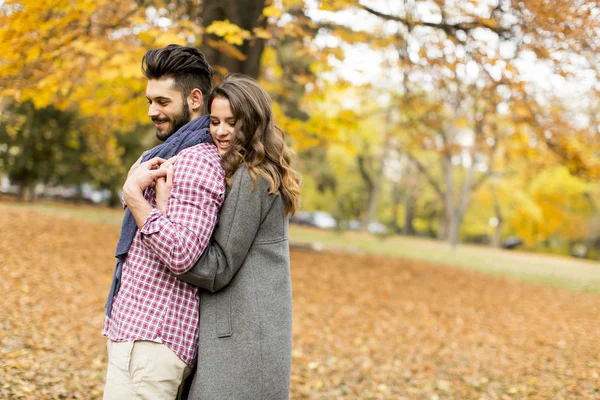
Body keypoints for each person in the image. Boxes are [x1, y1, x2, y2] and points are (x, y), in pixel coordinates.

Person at [155, 73, 301, 399]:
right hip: (247, 335)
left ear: (252, 123)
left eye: (232, 122)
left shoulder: (253, 179)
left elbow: (218, 267)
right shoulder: (252, 172)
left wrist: (160, 222)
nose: (220, 132)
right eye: (215, 121)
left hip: (241, 343)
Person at [102, 44, 226, 399]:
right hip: (135, 332)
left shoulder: (196, 162)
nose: (152, 111)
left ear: (195, 99)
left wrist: (134, 198)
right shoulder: (166, 155)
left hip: (154, 339)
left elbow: (183, 254)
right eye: (148, 101)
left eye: (162, 101)